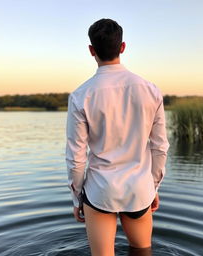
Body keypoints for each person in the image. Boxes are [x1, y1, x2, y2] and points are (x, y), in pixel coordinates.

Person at [66, 18, 170, 256]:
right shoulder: (150, 90)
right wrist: (154, 186)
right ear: (122, 47)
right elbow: (160, 147)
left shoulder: (81, 96)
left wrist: (76, 198)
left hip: (100, 190)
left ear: (91, 51)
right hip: (139, 189)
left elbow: (76, 157)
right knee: (142, 251)